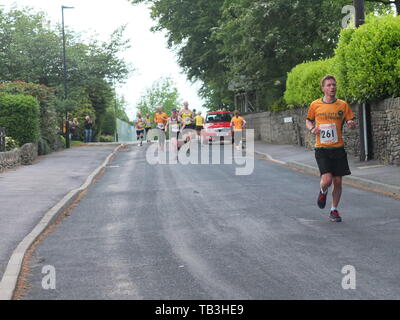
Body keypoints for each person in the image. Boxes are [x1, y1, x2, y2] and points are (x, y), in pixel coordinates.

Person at [306, 75, 357, 222]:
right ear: (323, 88)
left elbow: (350, 120)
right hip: (322, 148)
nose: (332, 87)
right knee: (327, 180)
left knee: (338, 182)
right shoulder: (315, 104)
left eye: (334, 85)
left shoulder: (343, 105)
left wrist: (352, 123)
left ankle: (334, 210)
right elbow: (308, 121)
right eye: (328, 85)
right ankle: (323, 191)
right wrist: (312, 129)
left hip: (338, 148)